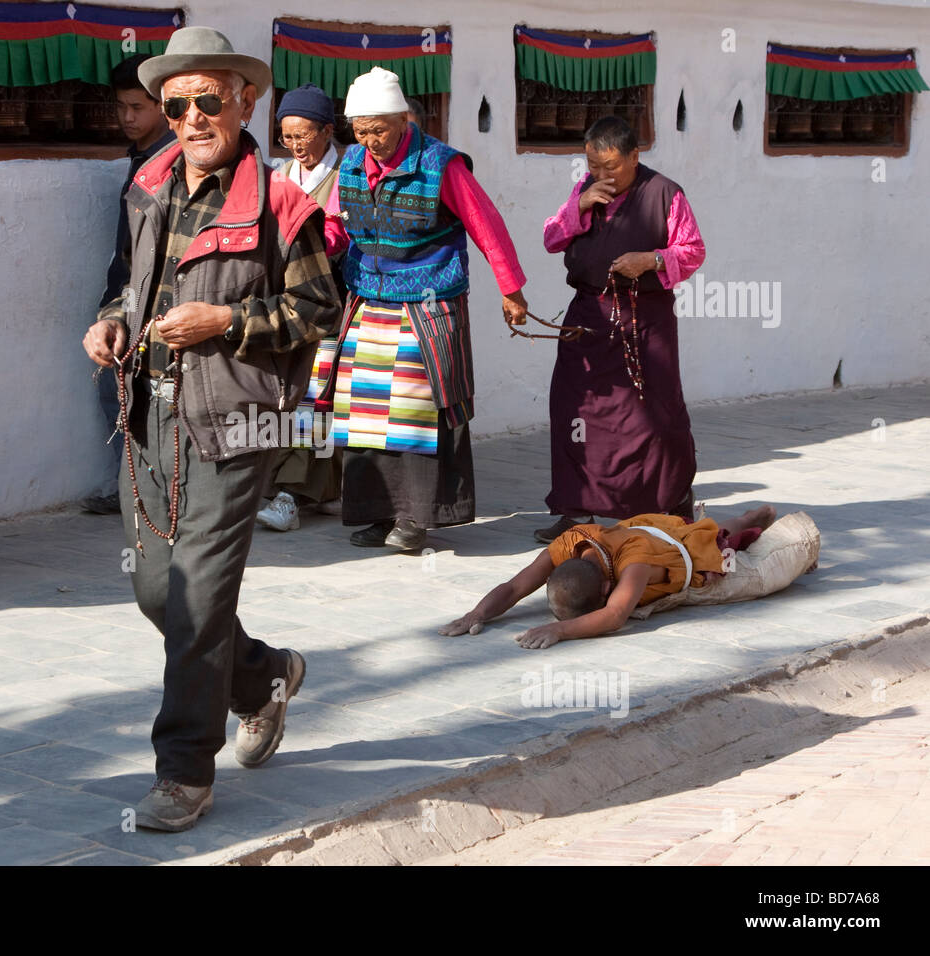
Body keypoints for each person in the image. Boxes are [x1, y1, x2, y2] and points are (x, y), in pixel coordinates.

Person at [81, 27, 341, 831]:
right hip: (149, 413)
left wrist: (225, 319)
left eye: (208, 100)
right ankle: (261, 675)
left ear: (244, 100)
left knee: (194, 601)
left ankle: (183, 773)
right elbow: (135, 287)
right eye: (177, 103)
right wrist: (112, 323)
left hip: (236, 421)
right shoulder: (150, 183)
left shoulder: (279, 202)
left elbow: (318, 310)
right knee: (155, 588)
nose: (193, 117)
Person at [321, 67, 529, 552]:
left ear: (403, 119)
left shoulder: (441, 164)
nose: (370, 140)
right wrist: (308, 241)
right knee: (366, 410)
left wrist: (511, 289)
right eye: (361, 130)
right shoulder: (351, 164)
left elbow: (486, 225)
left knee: (415, 409)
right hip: (369, 299)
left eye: (379, 129)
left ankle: (416, 518)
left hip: (428, 302)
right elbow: (336, 224)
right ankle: (375, 512)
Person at [537, 115, 706, 544]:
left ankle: (669, 501)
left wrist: (650, 260)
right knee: (576, 412)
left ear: (635, 156)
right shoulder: (584, 191)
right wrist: (579, 207)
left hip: (644, 321)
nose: (601, 174)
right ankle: (575, 511)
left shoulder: (665, 193)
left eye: (610, 165)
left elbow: (692, 251)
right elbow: (552, 238)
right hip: (588, 319)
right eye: (593, 165)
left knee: (653, 416)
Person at [439, 506, 821, 648]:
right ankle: (740, 521)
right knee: (702, 527)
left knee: (723, 543)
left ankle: (753, 521)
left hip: (677, 548)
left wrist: (559, 630)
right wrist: (478, 613)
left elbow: (617, 615)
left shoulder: (633, 566)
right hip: (647, 527)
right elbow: (514, 587)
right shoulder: (569, 541)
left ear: (606, 586)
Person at [81, 54, 177, 515]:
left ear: (162, 105)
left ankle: (150, 495)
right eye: (120, 106)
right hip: (124, 294)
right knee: (116, 390)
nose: (127, 117)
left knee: (152, 396)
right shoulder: (140, 157)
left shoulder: (172, 161)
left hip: (155, 299)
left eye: (137, 107)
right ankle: (133, 489)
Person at [256, 83, 343, 532]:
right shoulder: (282, 174)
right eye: (287, 137)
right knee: (294, 394)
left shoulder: (348, 175)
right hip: (288, 303)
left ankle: (289, 494)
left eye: (304, 135)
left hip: (333, 300)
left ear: (328, 131)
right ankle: (326, 489)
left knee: (317, 396)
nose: (295, 146)